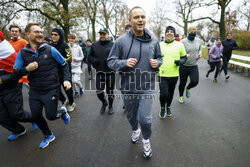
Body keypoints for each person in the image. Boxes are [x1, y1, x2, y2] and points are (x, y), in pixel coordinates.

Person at [107, 6, 163, 159]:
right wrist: (124, 62)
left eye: (143, 17)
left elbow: (160, 58)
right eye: (137, 17)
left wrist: (157, 63)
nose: (140, 20)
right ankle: (135, 130)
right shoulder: (121, 41)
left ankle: (146, 140)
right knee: (132, 117)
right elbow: (111, 62)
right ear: (130, 20)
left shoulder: (154, 40)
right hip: (128, 87)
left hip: (147, 87)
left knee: (145, 118)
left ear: (145, 19)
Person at [13, 23, 71, 149]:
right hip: (35, 90)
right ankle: (48, 135)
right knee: (35, 115)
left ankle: (61, 112)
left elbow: (64, 64)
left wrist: (67, 79)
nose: (40, 34)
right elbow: (16, 72)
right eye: (36, 32)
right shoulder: (23, 53)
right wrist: (27, 69)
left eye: (41, 31)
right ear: (28, 34)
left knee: (50, 116)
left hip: (51, 88)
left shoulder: (50, 49)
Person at [0, 30, 37, 141]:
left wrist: (3, 79)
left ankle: (35, 118)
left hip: (10, 88)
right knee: (1, 117)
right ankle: (18, 130)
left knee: (17, 114)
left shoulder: (7, 52)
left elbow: (19, 72)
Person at [158, 26, 187, 118]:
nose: (169, 33)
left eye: (171, 32)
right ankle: (162, 108)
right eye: (168, 32)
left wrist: (180, 62)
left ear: (174, 34)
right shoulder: (159, 45)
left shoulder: (179, 45)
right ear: (165, 33)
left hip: (174, 74)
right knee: (163, 94)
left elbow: (184, 57)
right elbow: (155, 57)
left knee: (170, 93)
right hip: (162, 74)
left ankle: (168, 107)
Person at [88, 28, 115, 115]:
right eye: (100, 34)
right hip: (100, 73)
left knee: (110, 92)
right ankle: (104, 103)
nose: (102, 35)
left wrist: (112, 62)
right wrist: (94, 61)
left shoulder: (113, 45)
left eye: (104, 34)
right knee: (99, 92)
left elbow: (118, 57)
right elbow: (89, 57)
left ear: (108, 34)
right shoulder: (94, 45)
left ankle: (110, 106)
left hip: (110, 73)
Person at [51, 28, 76, 112]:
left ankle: (72, 103)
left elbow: (69, 58)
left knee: (68, 89)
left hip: (65, 71)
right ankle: (64, 100)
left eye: (55, 35)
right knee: (56, 90)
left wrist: (59, 59)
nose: (53, 36)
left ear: (60, 36)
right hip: (54, 72)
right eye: (52, 34)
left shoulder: (65, 45)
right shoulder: (50, 46)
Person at [178, 26, 202, 104]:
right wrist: (184, 56)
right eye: (191, 31)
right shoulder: (182, 42)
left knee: (195, 81)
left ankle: (188, 88)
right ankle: (181, 96)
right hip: (184, 66)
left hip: (193, 65)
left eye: (195, 32)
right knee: (182, 83)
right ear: (188, 32)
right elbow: (178, 53)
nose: (193, 33)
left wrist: (199, 54)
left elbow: (200, 49)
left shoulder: (198, 40)